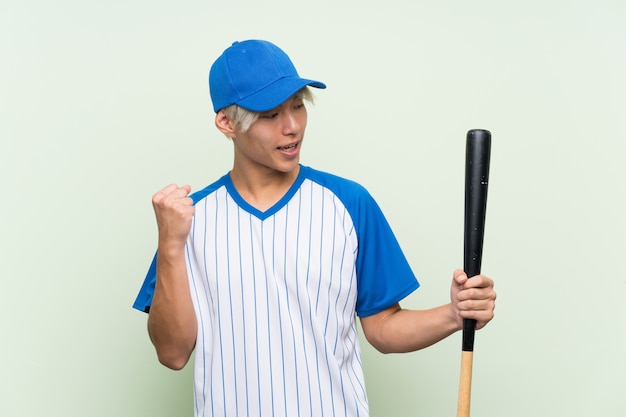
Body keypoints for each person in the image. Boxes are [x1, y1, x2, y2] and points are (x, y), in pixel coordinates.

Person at [133, 39, 496, 417]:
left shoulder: (349, 203)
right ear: (227, 123)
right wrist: (171, 246)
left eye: (297, 106)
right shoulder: (189, 221)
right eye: (270, 115)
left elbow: (383, 329)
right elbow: (172, 354)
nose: (292, 127)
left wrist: (454, 314)